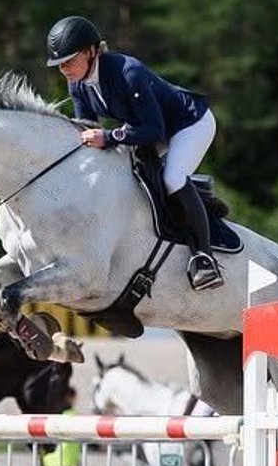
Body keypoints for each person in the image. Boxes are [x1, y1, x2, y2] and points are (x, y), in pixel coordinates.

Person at [45, 15, 224, 292]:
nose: (64, 69)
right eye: (59, 64)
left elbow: (152, 129)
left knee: (173, 178)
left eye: (69, 60)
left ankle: (204, 258)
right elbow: (89, 129)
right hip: (148, 127)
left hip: (189, 124)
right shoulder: (77, 84)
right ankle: (196, 197)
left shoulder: (128, 71)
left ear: (91, 51)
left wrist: (108, 137)